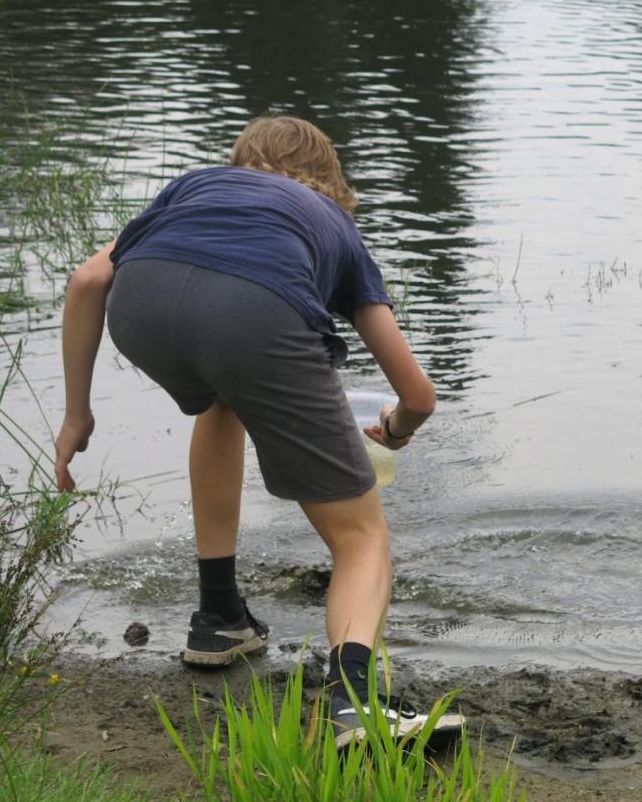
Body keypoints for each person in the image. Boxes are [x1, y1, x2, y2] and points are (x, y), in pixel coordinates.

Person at [54, 116, 461, 744]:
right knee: (360, 537)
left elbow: (87, 281)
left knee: (220, 401)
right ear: (331, 181)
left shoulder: (194, 186)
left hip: (142, 307)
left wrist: (77, 412)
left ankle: (218, 616)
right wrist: (397, 430)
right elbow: (419, 396)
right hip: (255, 317)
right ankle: (356, 708)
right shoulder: (334, 225)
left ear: (239, 162)